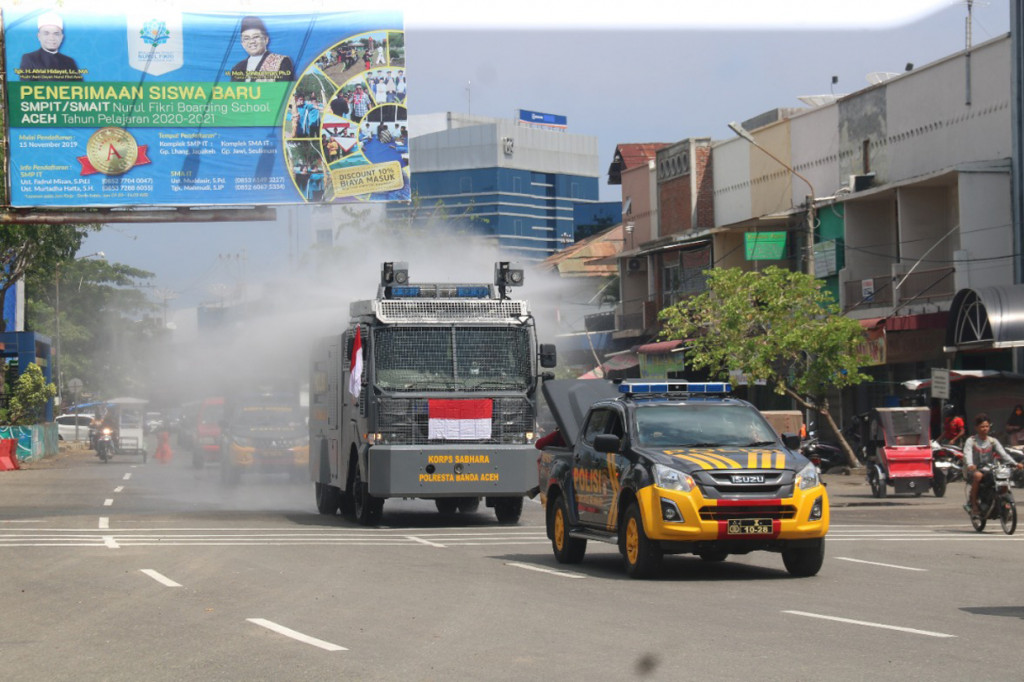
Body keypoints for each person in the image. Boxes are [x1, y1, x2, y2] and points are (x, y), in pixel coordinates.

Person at [964, 413, 1023, 514]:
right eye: (982, 426)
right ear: (977, 428)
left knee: (1003, 478)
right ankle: (972, 503)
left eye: (987, 426)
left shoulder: (993, 441)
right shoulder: (971, 441)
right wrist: (970, 464)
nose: (985, 429)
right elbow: (967, 453)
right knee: (978, 476)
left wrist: (1015, 464)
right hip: (974, 469)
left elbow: (1003, 455)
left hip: (990, 469)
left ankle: (1003, 502)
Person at [18, 11, 83, 81]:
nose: (51, 38)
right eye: (46, 33)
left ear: (62, 37)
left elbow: (79, 87)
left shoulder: (70, 62)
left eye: (56, 34)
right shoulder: (29, 59)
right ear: (39, 36)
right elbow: (26, 88)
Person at [230, 16, 294, 82]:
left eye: (256, 37)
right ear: (242, 43)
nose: (252, 41)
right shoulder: (237, 68)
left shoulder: (281, 61)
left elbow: (286, 90)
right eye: (246, 38)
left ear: (266, 39)